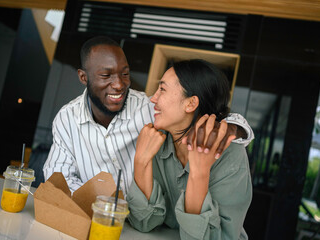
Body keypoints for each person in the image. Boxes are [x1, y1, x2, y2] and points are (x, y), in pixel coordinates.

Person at [43, 36, 254, 195]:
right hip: (92, 217)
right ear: (83, 77)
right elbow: (57, 177)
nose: (119, 84)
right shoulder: (67, 118)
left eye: (125, 74)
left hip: (144, 224)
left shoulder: (147, 107)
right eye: (106, 75)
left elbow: (199, 112)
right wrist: (103, 204)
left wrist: (230, 128)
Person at [126, 59, 252, 239]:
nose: (153, 98)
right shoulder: (157, 140)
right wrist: (141, 161)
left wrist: (199, 173)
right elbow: (145, 222)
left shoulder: (230, 157)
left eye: (162, 89)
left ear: (191, 103)